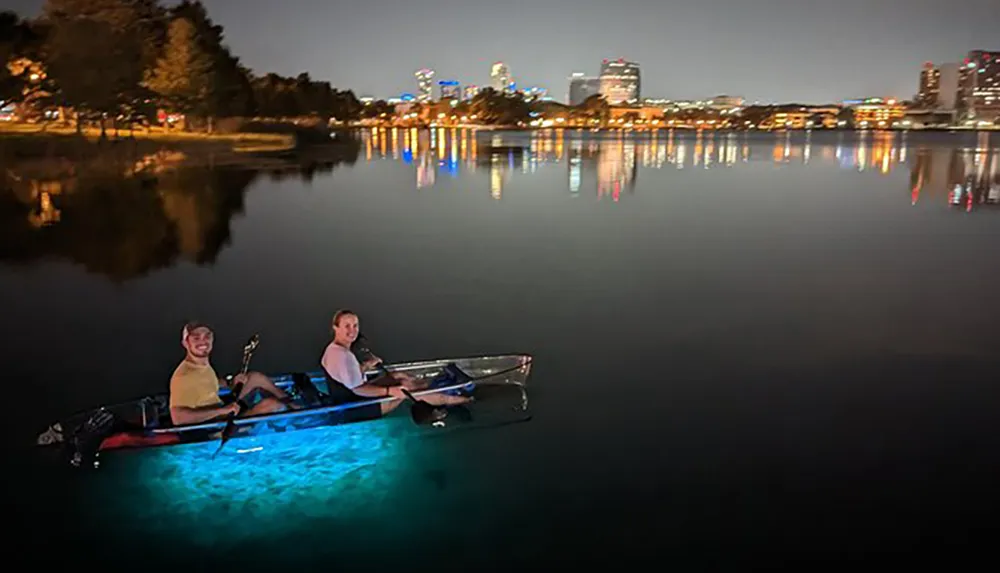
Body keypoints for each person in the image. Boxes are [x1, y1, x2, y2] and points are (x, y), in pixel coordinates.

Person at [320, 309, 470, 418]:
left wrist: (366, 366)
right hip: (358, 407)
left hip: (350, 397)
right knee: (407, 391)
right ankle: (461, 400)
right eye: (347, 326)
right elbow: (359, 389)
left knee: (398, 376)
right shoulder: (342, 355)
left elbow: (348, 375)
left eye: (355, 325)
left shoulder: (334, 350)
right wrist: (390, 391)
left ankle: (435, 384)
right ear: (336, 327)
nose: (352, 331)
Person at [169, 321, 294, 426]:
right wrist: (222, 410)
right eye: (196, 338)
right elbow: (178, 419)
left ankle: (291, 403)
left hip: (220, 408)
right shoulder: (184, 376)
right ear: (185, 343)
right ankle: (296, 419)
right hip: (216, 425)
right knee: (272, 405)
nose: (203, 342)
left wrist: (230, 382)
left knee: (255, 378)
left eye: (207, 336)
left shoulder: (200, 364)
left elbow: (205, 384)